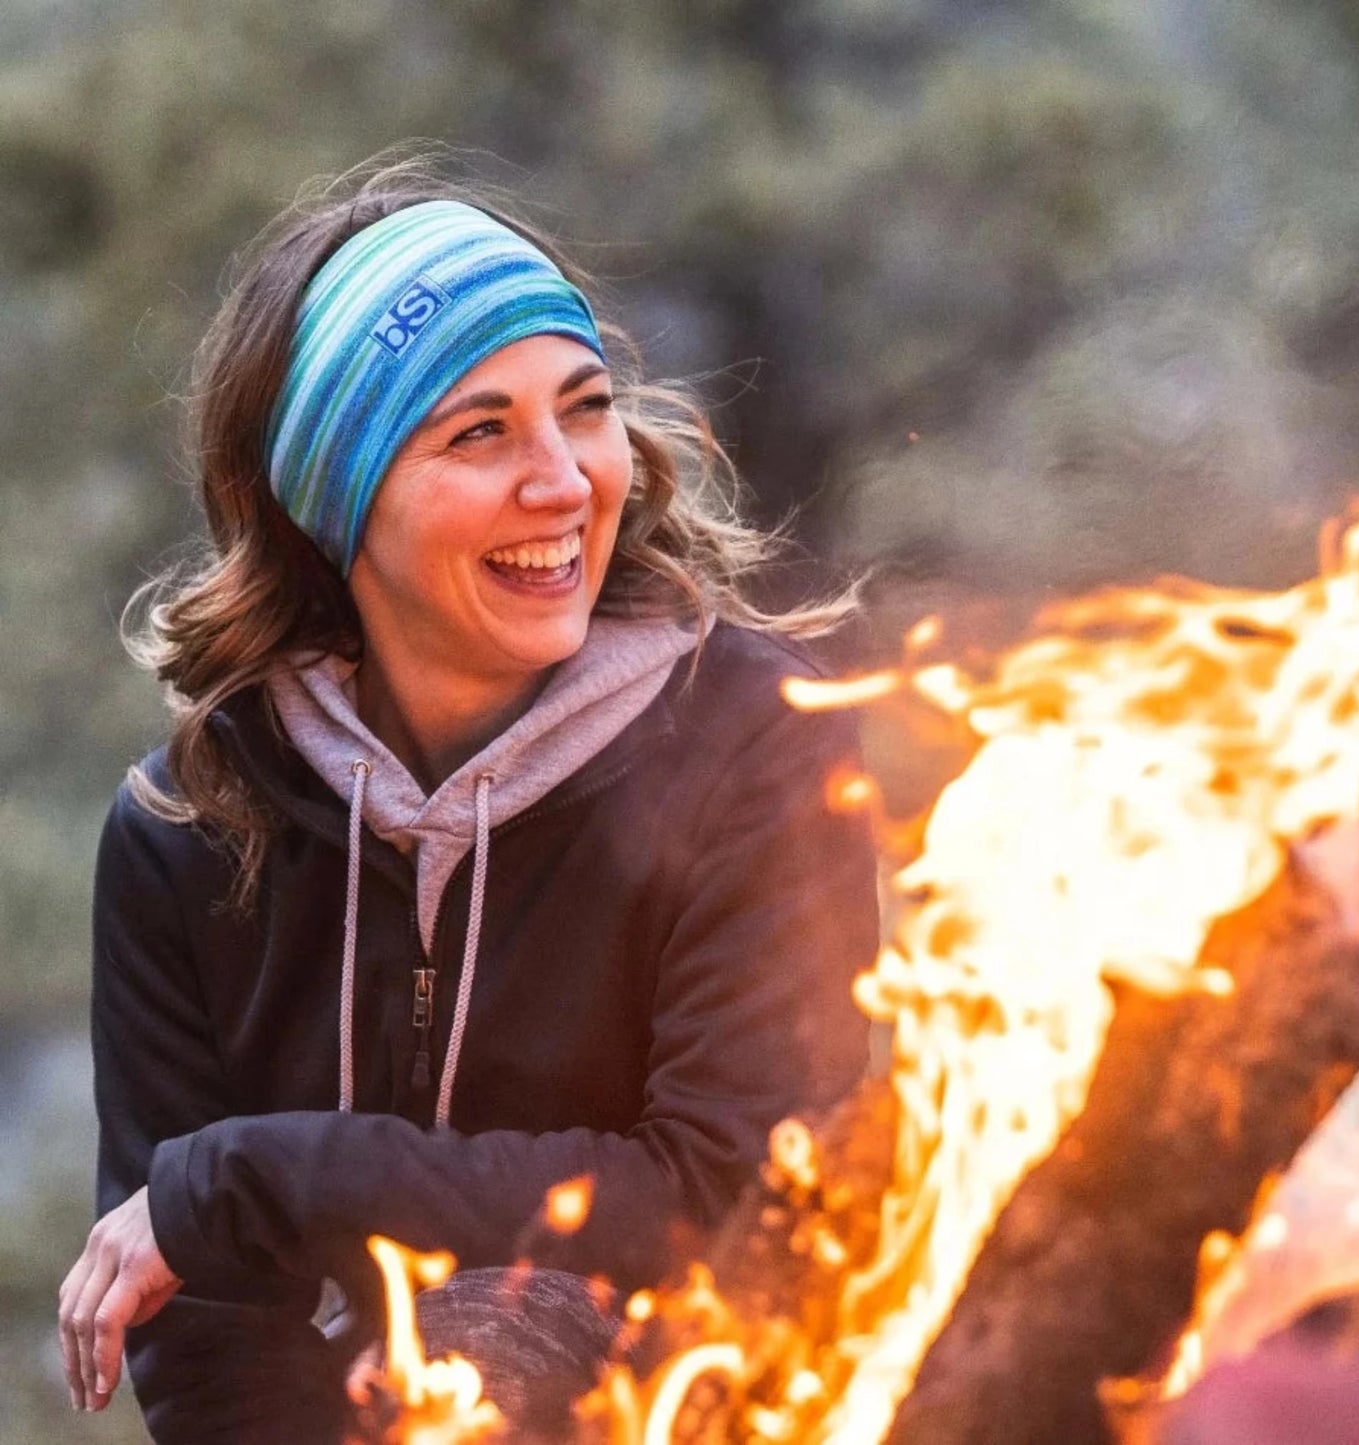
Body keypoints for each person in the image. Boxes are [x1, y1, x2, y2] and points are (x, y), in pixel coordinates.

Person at [56, 155, 879, 1442]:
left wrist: (264, 1174)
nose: (561, 480)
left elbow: (725, 1196)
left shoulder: (747, 746)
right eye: (477, 431)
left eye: (584, 406)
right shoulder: (193, 829)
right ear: (337, 497)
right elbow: (203, 1329)